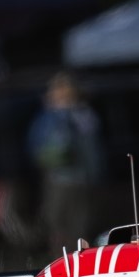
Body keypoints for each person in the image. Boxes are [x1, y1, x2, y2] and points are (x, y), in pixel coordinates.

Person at [27, 73, 103, 251]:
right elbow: (36, 148)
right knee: (59, 224)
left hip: (75, 179)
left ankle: (77, 260)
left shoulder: (81, 116)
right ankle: (61, 260)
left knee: (76, 225)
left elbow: (91, 149)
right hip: (59, 179)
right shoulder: (51, 117)